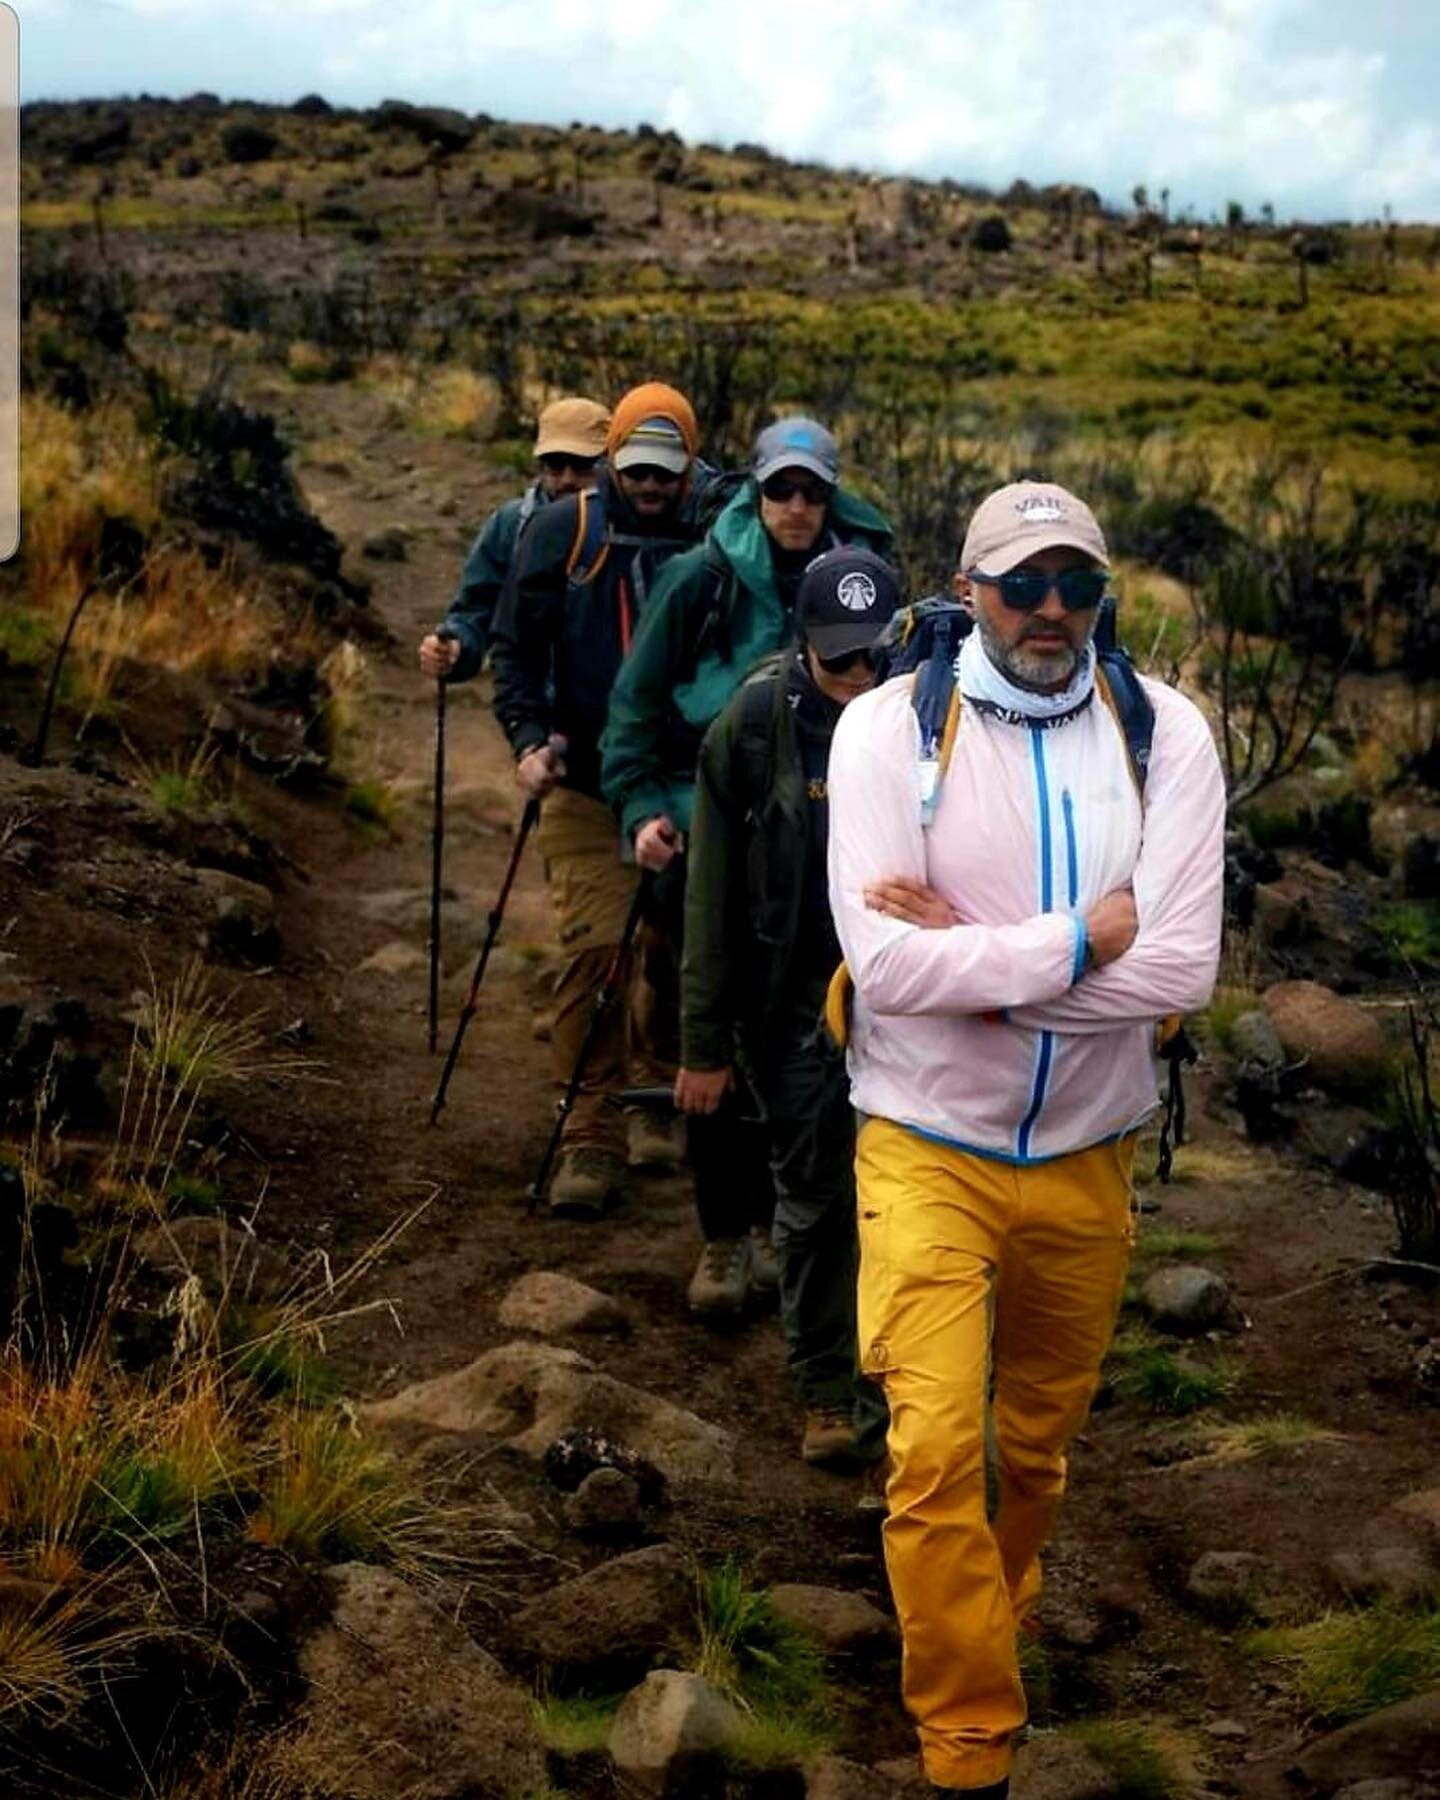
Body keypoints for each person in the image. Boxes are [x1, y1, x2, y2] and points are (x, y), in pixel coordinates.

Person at [826, 481, 1226, 1796]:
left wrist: (977, 964)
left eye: (1077, 587)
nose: (1051, 612)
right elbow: (880, 968)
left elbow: (1178, 973)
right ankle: (969, 1746)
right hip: (924, 1139)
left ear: (1101, 596)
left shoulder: (1169, 738)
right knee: (937, 1447)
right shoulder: (890, 732)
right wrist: (1072, 942)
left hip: (1091, 1150)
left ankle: (980, 1618)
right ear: (968, 586)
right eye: (1022, 585)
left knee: (1032, 1451)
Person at [601, 417, 895, 1317]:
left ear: (833, 492)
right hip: (711, 822)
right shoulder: (702, 579)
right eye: (781, 490)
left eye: (812, 491)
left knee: (815, 1049)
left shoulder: (867, 579)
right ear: (756, 491)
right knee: (721, 1031)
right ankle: (725, 1233)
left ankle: (787, 1223)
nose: (797, 507)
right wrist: (645, 807)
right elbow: (634, 709)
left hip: (839, 837)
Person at [677, 546, 899, 1467]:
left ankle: (904, 1389)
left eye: (873, 656)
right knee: (814, 1196)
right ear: (802, 639)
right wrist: (703, 1042)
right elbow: (711, 898)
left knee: (910, 1203)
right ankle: (824, 1388)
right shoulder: (757, 725)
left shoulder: (935, 714)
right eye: (839, 655)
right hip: (801, 997)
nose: (857, 676)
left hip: (916, 995)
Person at [489, 383, 704, 1216]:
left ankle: (657, 1091)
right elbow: (515, 645)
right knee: (594, 948)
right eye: (638, 470)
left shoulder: (719, 533)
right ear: (613, 459)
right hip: (583, 782)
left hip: (684, 785)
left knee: (676, 947)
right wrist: (526, 738)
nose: (651, 487)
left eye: (667, 472)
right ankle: (590, 1132)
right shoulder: (560, 531)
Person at [418, 395, 610, 682]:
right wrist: (456, 648)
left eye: (583, 465)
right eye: (556, 465)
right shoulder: (510, 525)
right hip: (531, 707)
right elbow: (476, 609)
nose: (568, 479)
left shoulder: (630, 528)